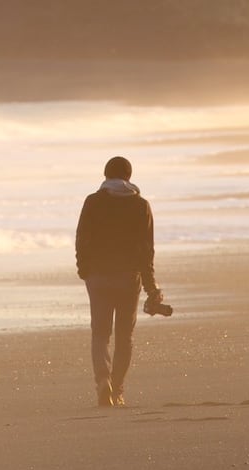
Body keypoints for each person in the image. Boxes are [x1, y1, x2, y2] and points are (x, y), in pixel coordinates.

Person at [76, 156, 160, 407]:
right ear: (129, 177)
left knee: (100, 333)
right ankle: (118, 388)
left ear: (105, 175)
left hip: (98, 277)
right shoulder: (141, 205)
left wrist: (84, 269)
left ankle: (103, 381)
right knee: (125, 336)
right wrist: (151, 286)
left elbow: (82, 238)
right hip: (128, 278)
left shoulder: (93, 201)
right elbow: (147, 250)